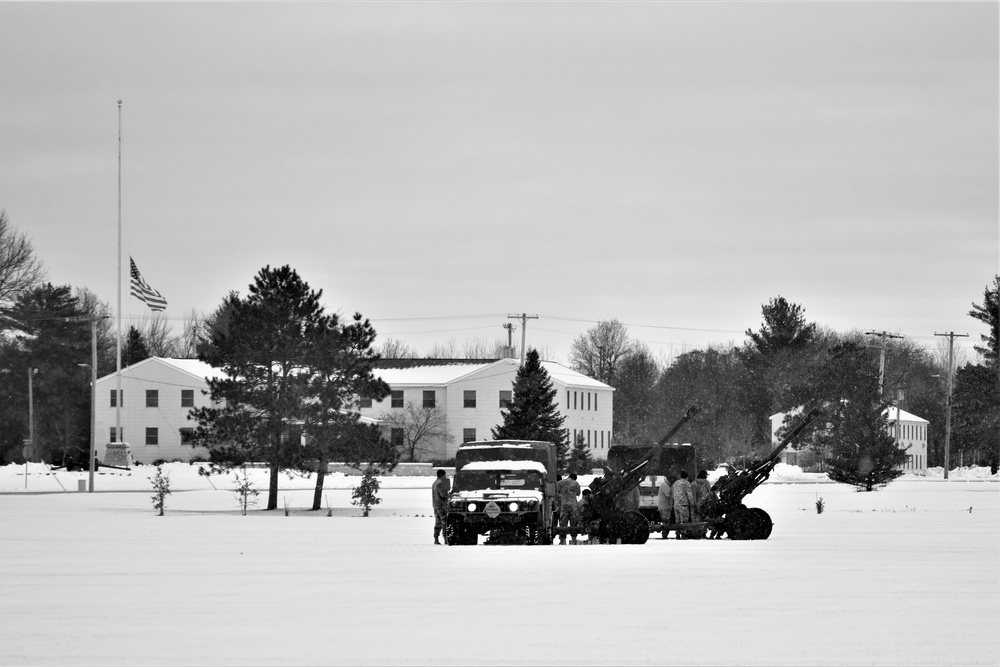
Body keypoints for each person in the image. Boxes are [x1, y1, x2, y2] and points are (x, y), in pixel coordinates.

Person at [556, 472, 581, 544]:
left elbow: (557, 492)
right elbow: (578, 493)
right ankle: (573, 539)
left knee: (563, 523)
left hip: (563, 505)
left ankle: (562, 540)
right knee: (573, 522)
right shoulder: (576, 483)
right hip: (573, 506)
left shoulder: (560, 483)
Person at [689, 470, 712, 538]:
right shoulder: (694, 484)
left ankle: (702, 533)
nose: (704, 480)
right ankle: (695, 533)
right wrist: (695, 505)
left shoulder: (705, 483)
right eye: (704, 479)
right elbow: (693, 496)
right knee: (695, 520)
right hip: (696, 505)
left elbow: (708, 492)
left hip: (703, 505)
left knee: (702, 519)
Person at [431, 469, 451, 545]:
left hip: (435, 505)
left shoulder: (435, 483)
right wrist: (450, 496)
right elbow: (443, 494)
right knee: (444, 522)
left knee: (438, 523)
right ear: (442, 475)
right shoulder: (441, 483)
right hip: (442, 505)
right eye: (445, 475)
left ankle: (436, 539)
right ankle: (446, 539)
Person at [672, 470, 694, 536]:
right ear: (687, 477)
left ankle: (677, 533)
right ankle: (683, 533)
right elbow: (689, 494)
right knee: (684, 520)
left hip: (676, 504)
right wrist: (692, 503)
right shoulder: (686, 483)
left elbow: (672, 493)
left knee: (677, 520)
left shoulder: (675, 483)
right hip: (683, 504)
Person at [657, 475, 674, 539]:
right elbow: (669, 494)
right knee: (666, 521)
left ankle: (665, 533)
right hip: (665, 506)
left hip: (665, 506)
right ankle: (665, 534)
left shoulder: (665, 484)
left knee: (666, 521)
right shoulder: (665, 485)